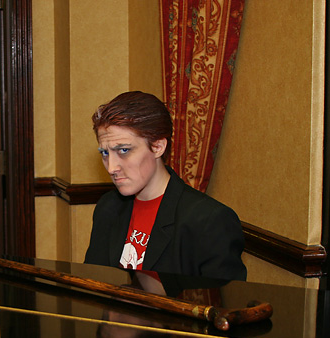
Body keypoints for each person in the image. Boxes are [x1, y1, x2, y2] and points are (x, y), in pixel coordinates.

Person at [84, 91, 247, 281]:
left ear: (158, 147)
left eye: (124, 150)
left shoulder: (210, 221)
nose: (111, 167)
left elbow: (222, 299)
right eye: (105, 153)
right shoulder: (109, 207)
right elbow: (92, 283)